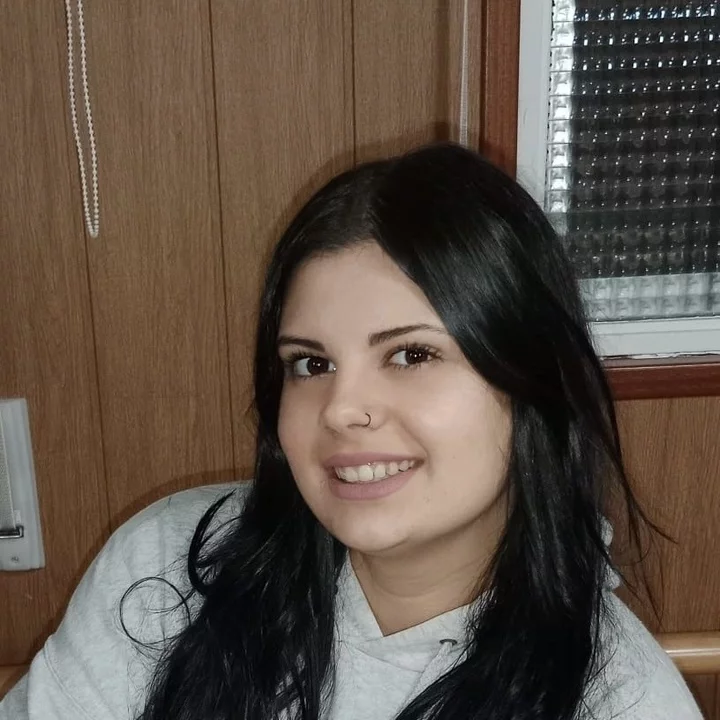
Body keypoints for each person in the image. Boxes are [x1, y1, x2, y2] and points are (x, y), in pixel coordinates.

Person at [0, 143, 702, 720]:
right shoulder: (168, 568)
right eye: (310, 364)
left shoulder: (620, 701)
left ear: (532, 383)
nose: (340, 409)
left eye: (412, 355)